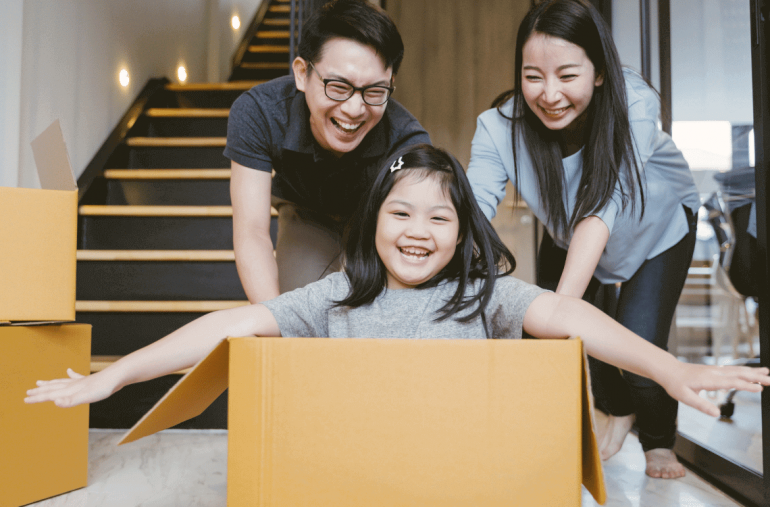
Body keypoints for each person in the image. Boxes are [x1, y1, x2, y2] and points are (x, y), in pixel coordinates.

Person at [26, 145, 769, 446]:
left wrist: (667, 370)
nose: (419, 231)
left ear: (461, 234)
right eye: (401, 213)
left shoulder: (486, 295)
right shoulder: (337, 295)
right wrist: (117, 372)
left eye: (439, 216)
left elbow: (569, 313)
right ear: (373, 223)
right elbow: (233, 323)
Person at [466, 0, 702, 478]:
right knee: (569, 338)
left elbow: (603, 206)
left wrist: (559, 312)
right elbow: (469, 214)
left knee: (633, 343)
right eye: (533, 76)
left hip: (655, 227)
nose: (549, 94)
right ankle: (615, 409)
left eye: (567, 76)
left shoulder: (634, 103)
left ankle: (658, 441)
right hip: (569, 231)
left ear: (598, 72)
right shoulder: (497, 127)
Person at [224, 0, 430, 304]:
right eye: (337, 86)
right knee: (296, 311)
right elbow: (252, 231)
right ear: (301, 73)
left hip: (372, 221)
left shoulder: (407, 139)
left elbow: (411, 235)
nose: (354, 109)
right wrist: (273, 323)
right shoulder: (260, 112)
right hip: (304, 210)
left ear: (390, 83)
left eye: (374, 91)